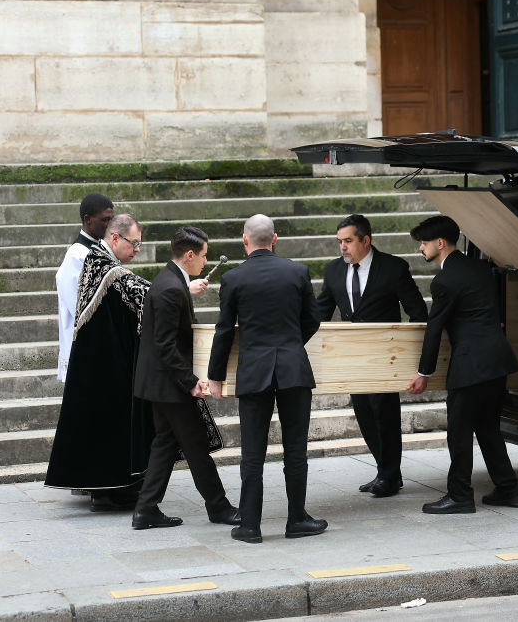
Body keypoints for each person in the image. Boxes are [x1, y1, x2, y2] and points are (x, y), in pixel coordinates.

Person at [208, 214, 325, 543]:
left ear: (245, 241)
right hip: (293, 369)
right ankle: (297, 519)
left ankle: (250, 525)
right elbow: (312, 320)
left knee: (252, 454)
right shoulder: (297, 272)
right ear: (274, 240)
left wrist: (215, 377)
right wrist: (288, 345)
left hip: (254, 370)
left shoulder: (233, 278)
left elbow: (223, 331)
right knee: (296, 450)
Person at [407, 215, 518, 514]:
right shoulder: (480, 268)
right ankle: (508, 488)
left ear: (440, 243)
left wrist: (424, 373)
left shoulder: (444, 280)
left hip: (470, 366)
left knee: (459, 432)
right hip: (497, 360)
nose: (421, 248)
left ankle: (460, 495)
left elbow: (435, 328)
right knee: (488, 428)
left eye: (424, 243)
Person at [131, 226, 240, 530]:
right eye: (203, 256)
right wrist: (191, 382)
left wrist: (187, 289)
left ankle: (145, 509)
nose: (205, 261)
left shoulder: (172, 281)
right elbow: (165, 344)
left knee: (166, 443)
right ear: (190, 254)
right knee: (195, 445)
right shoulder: (170, 288)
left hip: (161, 383)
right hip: (169, 385)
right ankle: (218, 507)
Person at [45, 214, 154, 511]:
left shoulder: (99, 261)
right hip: (100, 361)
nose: (138, 250)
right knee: (106, 425)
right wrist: (177, 290)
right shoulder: (101, 264)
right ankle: (107, 491)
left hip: (104, 357)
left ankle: (111, 488)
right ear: (116, 238)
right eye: (134, 243)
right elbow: (135, 291)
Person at [316, 214, 428, 498]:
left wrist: (413, 355)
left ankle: (389, 476)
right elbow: (320, 313)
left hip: (386, 357)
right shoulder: (333, 271)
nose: (342, 247)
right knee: (364, 413)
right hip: (352, 358)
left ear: (366, 240)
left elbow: (417, 311)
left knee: (385, 415)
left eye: (348, 241)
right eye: (340, 242)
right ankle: (387, 472)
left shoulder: (393, 267)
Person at [55, 193, 113, 383]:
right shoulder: (77, 255)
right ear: (88, 220)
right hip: (84, 341)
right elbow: (81, 307)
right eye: (105, 220)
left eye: (112, 219)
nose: (110, 225)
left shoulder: (100, 250)